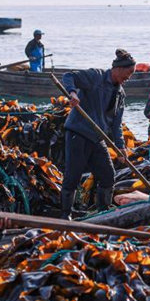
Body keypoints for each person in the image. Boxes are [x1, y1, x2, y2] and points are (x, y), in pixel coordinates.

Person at [60, 49, 135, 218]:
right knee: (73, 176)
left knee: (108, 175)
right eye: (129, 73)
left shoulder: (120, 93)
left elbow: (116, 124)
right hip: (78, 132)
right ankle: (66, 215)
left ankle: (103, 212)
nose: (129, 77)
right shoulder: (96, 77)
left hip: (97, 137)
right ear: (119, 69)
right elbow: (68, 76)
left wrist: (120, 147)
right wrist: (72, 93)